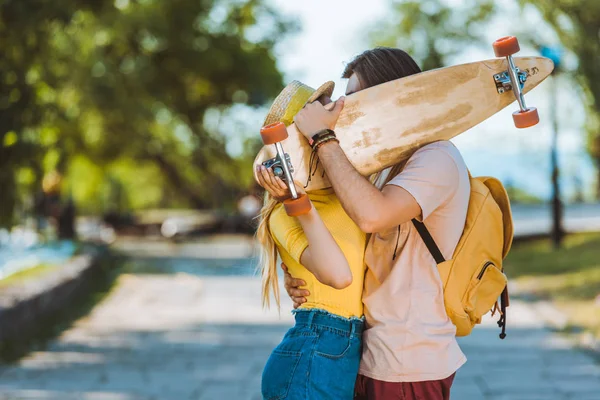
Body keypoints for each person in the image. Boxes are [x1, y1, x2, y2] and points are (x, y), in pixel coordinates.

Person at [281, 47, 470, 400]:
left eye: (355, 98)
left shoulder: (437, 158)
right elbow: (347, 239)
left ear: (393, 94)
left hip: (406, 361)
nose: (345, 110)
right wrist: (298, 274)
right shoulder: (382, 164)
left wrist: (323, 137)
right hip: (366, 354)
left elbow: (372, 216)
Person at [256, 80, 367, 400]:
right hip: (315, 351)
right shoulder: (283, 213)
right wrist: (296, 201)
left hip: (336, 352)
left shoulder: (348, 188)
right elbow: (339, 275)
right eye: (326, 108)